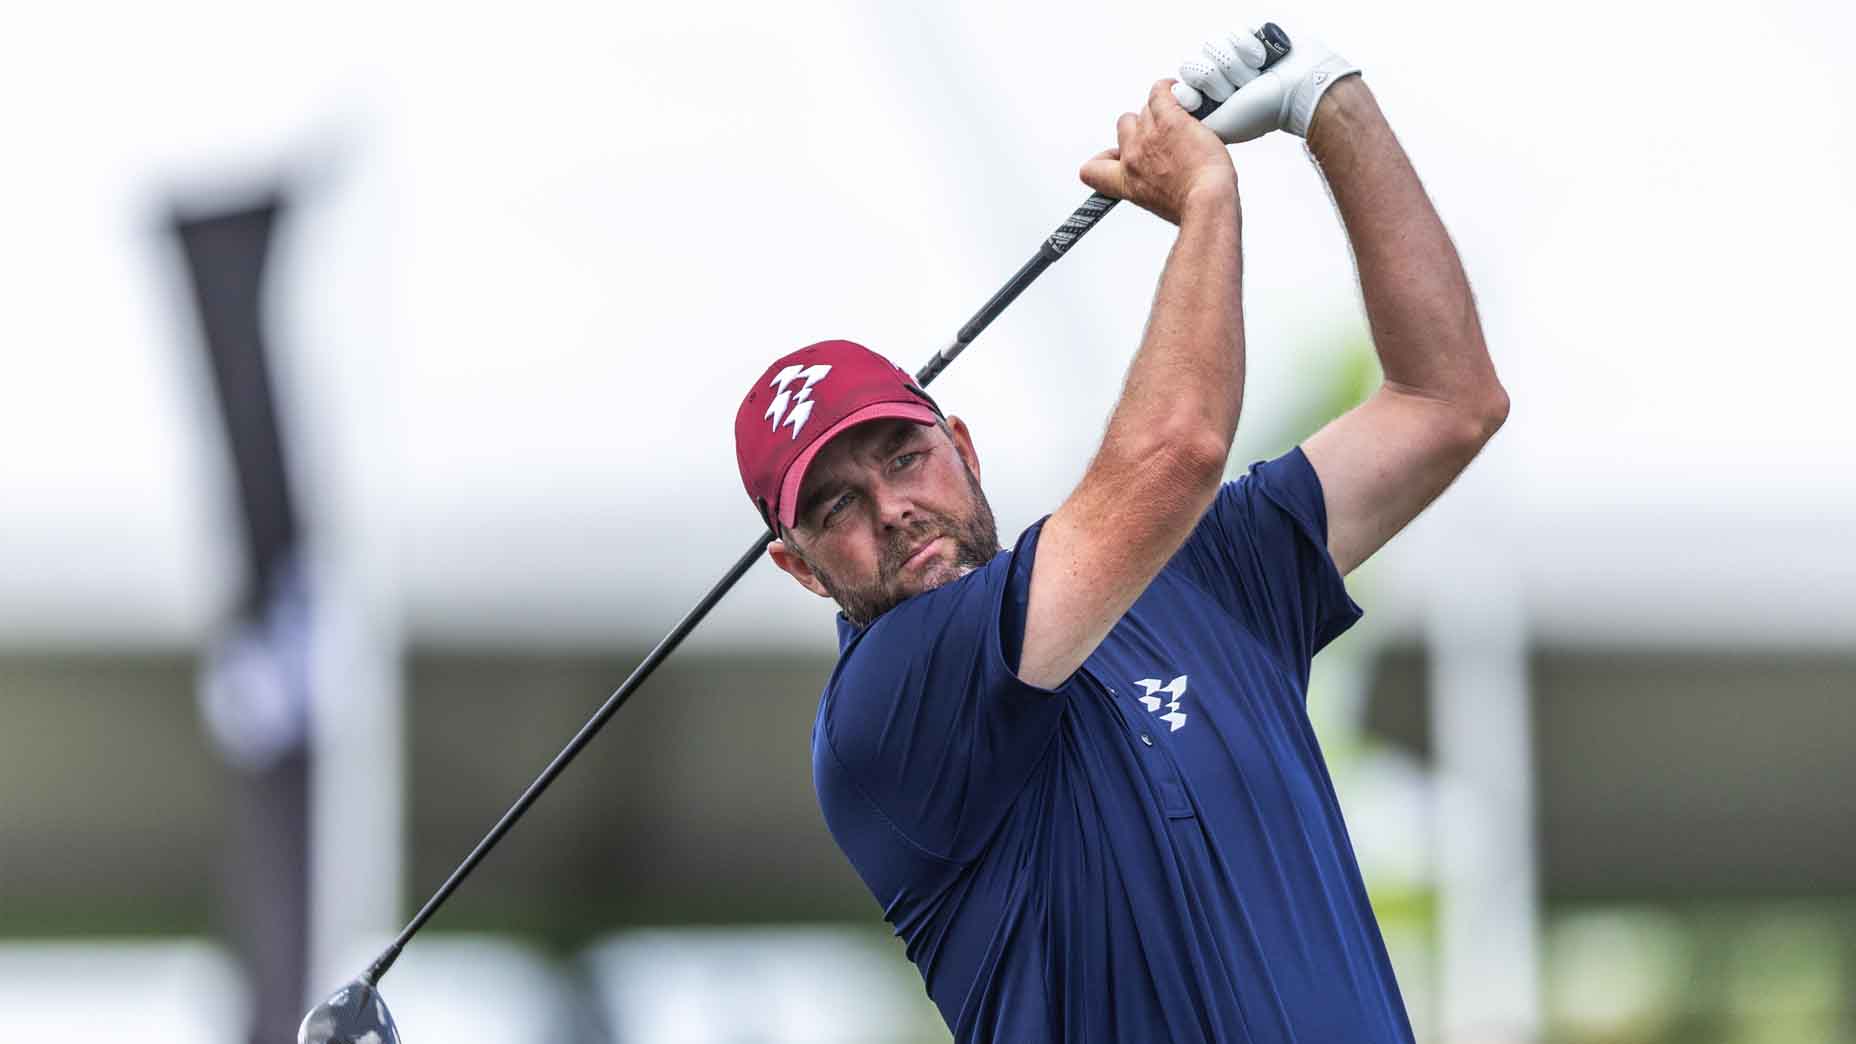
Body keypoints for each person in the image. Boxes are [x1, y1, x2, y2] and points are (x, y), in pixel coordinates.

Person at [732, 24, 1507, 1043]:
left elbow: (1447, 403)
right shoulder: (886, 707)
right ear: (798, 569)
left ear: (960, 446)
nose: (890, 509)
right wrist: (1206, 202)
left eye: (902, 457)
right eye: (835, 508)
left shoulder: (1200, 572)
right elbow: (1176, 452)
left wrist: (1329, 101)